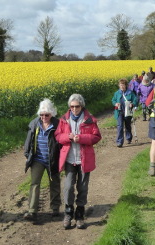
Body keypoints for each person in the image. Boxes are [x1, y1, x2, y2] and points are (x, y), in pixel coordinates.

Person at [55, 94, 102, 229]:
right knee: (68, 187)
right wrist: (67, 138)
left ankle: (80, 215)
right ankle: (68, 213)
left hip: (84, 159)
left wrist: (81, 138)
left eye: (77, 106)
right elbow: (58, 136)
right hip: (69, 159)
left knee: (82, 188)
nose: (74, 109)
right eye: (72, 107)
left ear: (82, 106)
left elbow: (96, 136)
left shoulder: (89, 120)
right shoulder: (64, 120)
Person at [23, 98, 61, 222]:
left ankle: (55, 208)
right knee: (34, 184)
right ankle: (32, 211)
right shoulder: (34, 123)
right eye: (42, 114)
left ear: (52, 114)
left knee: (54, 183)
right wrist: (27, 153)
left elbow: (62, 142)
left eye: (47, 115)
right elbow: (29, 139)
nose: (44, 117)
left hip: (53, 159)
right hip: (37, 160)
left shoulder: (58, 125)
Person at [112, 78, 138, 147]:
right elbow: (113, 100)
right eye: (121, 85)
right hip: (119, 112)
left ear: (126, 85)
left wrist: (132, 104)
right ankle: (119, 142)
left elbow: (135, 99)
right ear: (119, 85)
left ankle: (129, 138)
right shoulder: (117, 93)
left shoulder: (130, 93)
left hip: (127, 112)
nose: (122, 86)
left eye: (123, 85)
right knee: (120, 126)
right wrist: (115, 104)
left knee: (127, 125)